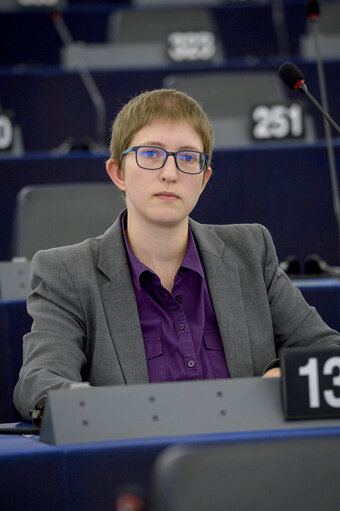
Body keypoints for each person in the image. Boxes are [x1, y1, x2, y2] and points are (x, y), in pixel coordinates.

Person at [14, 88, 340, 422]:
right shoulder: (66, 272)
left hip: (252, 458)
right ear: (118, 173)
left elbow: (328, 352)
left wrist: (281, 376)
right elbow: (40, 383)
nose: (170, 173)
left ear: (203, 179)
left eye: (187, 158)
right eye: (151, 154)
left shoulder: (250, 251)